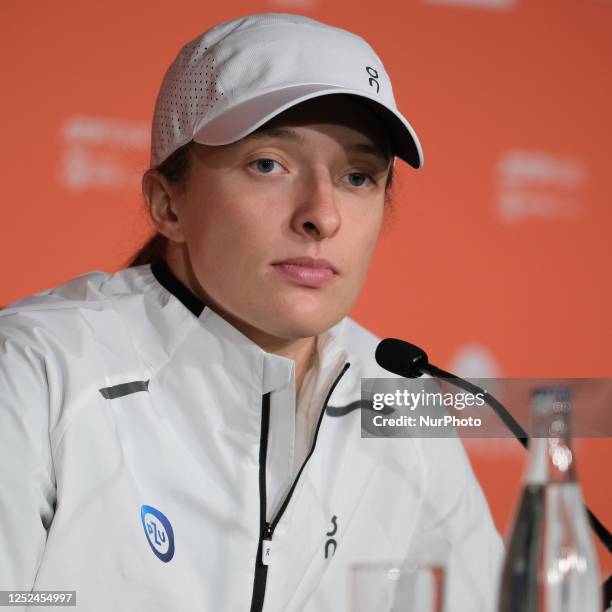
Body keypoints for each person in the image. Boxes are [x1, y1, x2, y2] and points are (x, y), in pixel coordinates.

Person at [0, 12, 504, 612]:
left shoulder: (399, 399)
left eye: (357, 176)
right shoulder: (37, 370)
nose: (323, 215)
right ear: (168, 203)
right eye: (269, 164)